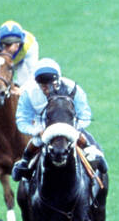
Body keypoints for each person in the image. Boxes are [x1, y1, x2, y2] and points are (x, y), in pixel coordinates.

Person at [10, 59, 105, 189]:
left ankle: (96, 159)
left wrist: (72, 128)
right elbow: (22, 120)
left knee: (88, 141)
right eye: (42, 86)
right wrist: (36, 131)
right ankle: (24, 164)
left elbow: (85, 115)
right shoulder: (29, 93)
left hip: (71, 127)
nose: (47, 89)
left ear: (58, 81)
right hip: (42, 129)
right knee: (35, 143)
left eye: (51, 85)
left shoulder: (73, 89)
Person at [0, 21, 38, 128]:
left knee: (23, 87)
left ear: (18, 43)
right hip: (1, 65)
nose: (6, 48)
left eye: (9, 45)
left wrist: (22, 90)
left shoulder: (30, 45)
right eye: (4, 44)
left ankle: (33, 113)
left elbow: (33, 73)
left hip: (21, 63)